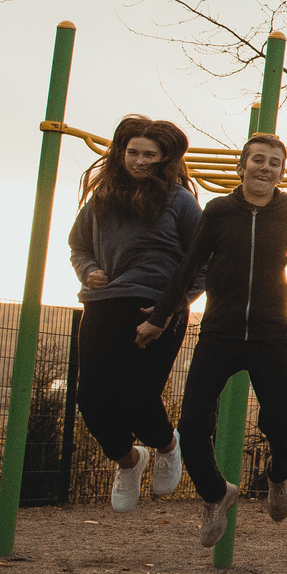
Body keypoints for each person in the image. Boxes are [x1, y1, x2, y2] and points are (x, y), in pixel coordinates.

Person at [140, 134, 287, 549]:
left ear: (281, 173)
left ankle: (279, 475)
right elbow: (189, 266)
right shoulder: (219, 211)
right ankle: (215, 494)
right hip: (219, 332)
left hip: (268, 333)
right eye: (258, 160)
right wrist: (159, 317)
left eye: (274, 163)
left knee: (278, 423)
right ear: (242, 168)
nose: (265, 167)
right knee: (192, 425)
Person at [67, 116, 200, 512]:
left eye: (150, 155)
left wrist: (171, 307)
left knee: (137, 396)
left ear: (166, 159)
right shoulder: (102, 199)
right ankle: (129, 460)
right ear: (120, 153)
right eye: (133, 152)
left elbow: (205, 261)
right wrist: (88, 270)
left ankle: (167, 445)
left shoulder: (179, 201)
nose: (140, 161)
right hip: (104, 304)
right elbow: (78, 246)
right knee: (91, 398)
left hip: (157, 307)